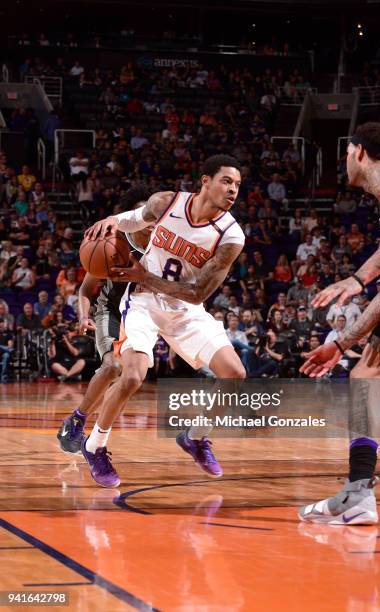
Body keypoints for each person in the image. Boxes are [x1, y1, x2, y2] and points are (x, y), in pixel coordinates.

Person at [84, 154, 246, 487]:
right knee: (131, 377)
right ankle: (95, 445)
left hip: (185, 308)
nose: (233, 190)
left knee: (234, 374)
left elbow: (198, 293)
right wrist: (112, 221)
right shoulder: (166, 202)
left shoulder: (231, 237)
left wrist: (148, 276)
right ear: (205, 181)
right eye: (227, 181)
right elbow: (134, 220)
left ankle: (195, 437)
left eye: (238, 185)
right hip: (142, 303)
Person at [299, 121, 380, 525]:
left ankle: (359, 492)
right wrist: (341, 344)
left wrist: (356, 277)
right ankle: (359, 492)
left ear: (359, 151)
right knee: (367, 376)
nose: (345, 160)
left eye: (346, 153)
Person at [57, 187, 152, 454]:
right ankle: (77, 420)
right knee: (111, 366)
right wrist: (83, 316)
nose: (150, 220)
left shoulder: (162, 244)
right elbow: (86, 290)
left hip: (143, 316)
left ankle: (96, 436)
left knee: (131, 379)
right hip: (111, 311)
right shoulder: (113, 242)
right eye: (143, 214)